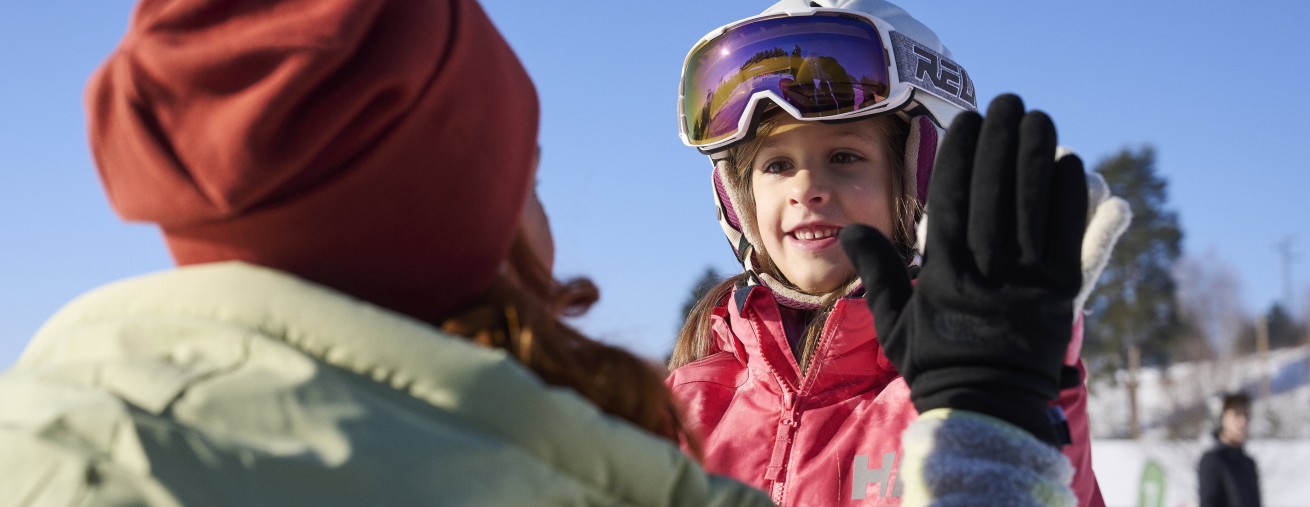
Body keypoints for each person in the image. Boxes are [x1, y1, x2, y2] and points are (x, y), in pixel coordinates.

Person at [0, 0, 775, 504]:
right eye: (525, 179)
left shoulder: (41, 436)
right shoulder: (553, 482)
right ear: (457, 225)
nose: (551, 230)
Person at [668, 0, 1132, 505]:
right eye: (777, 165)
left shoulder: (965, 384)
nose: (806, 189)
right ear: (737, 199)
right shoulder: (689, 407)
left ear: (919, 178)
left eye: (844, 157)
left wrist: (1003, 398)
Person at [1198, 392, 1263, 507]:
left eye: (1246, 414)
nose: (1243, 421)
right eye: (1236, 415)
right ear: (1220, 418)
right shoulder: (1213, 461)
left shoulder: (1248, 462)